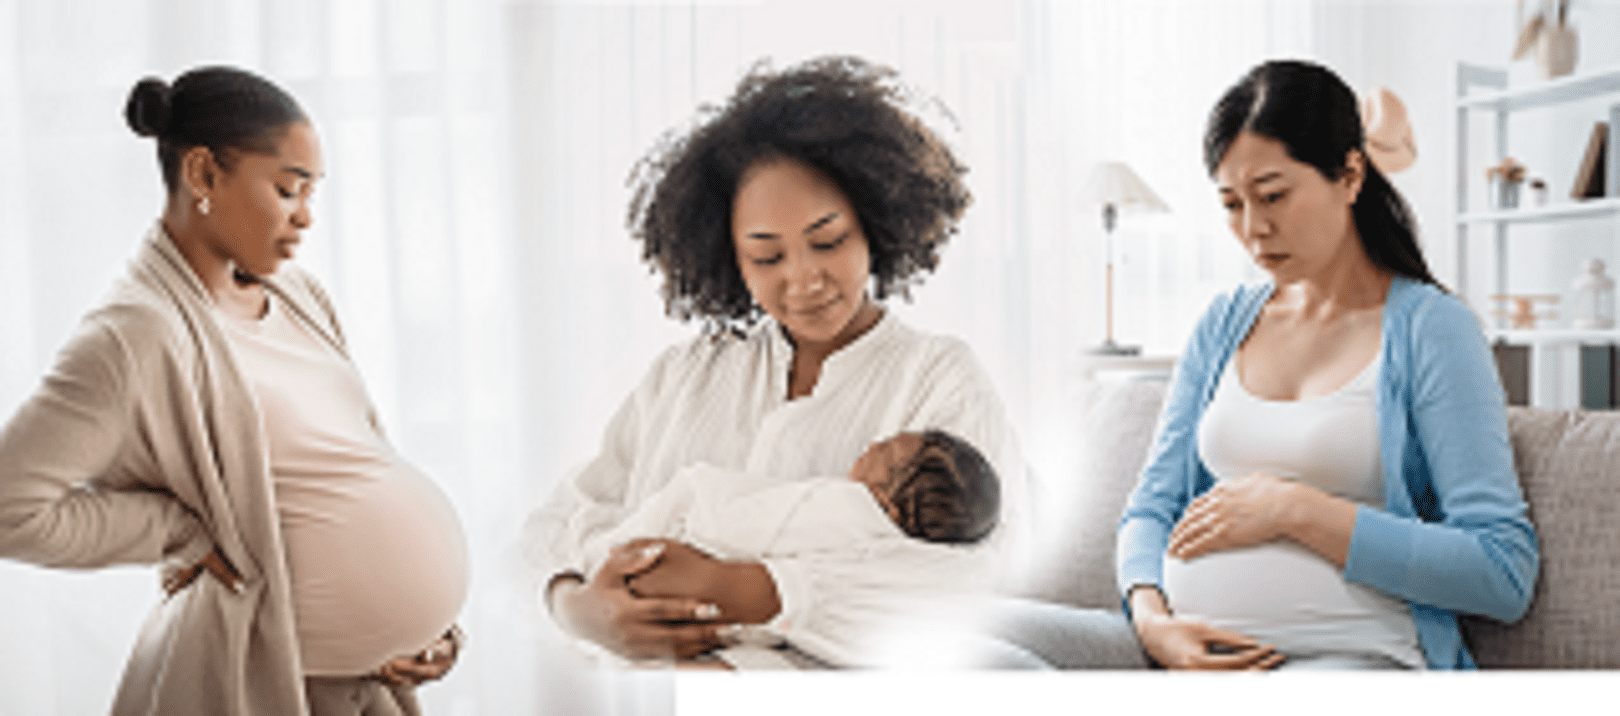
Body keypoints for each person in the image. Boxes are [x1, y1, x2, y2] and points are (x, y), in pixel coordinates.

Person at [993, 59, 1537, 670]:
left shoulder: (1432, 330)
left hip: (1343, 657)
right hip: (1171, 650)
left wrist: (1295, 510)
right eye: (1232, 204)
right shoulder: (1224, 322)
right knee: (964, 641)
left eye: (1274, 195)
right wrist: (1151, 621)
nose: (1253, 229)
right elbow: (1150, 506)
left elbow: (1501, 570)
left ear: (1350, 174)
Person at [526, 55, 1025, 668]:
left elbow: (969, 577)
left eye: (828, 241)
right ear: (729, 259)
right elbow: (563, 518)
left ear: (874, 222)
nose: (802, 279)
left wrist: (744, 590)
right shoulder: (686, 373)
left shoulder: (940, 377)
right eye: (766, 256)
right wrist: (576, 607)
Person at [0, 66, 466, 715]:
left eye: (312, 194)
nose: (305, 218)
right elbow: (9, 507)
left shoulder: (300, 295)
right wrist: (176, 531)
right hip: (260, 684)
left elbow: (358, 456)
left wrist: (421, 625)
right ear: (203, 175)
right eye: (287, 190)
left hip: (364, 684)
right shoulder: (133, 335)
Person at [579, 429, 1000, 667]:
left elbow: (762, 521)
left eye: (886, 451)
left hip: (704, 555)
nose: (873, 444)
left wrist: (705, 513)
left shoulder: (850, 510)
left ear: (887, 504)